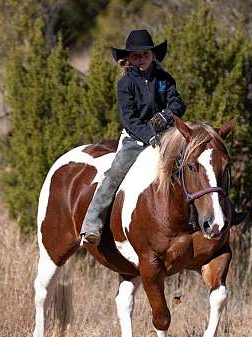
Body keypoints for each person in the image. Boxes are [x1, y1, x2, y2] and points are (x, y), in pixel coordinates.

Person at [80, 29, 186, 245]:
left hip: (168, 136)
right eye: (136, 56)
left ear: (153, 55)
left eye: (145, 54)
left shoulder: (164, 79)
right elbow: (130, 119)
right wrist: (150, 137)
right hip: (135, 139)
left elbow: (178, 103)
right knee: (114, 174)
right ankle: (91, 224)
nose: (141, 59)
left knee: (197, 165)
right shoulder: (125, 84)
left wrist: (167, 114)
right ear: (127, 58)